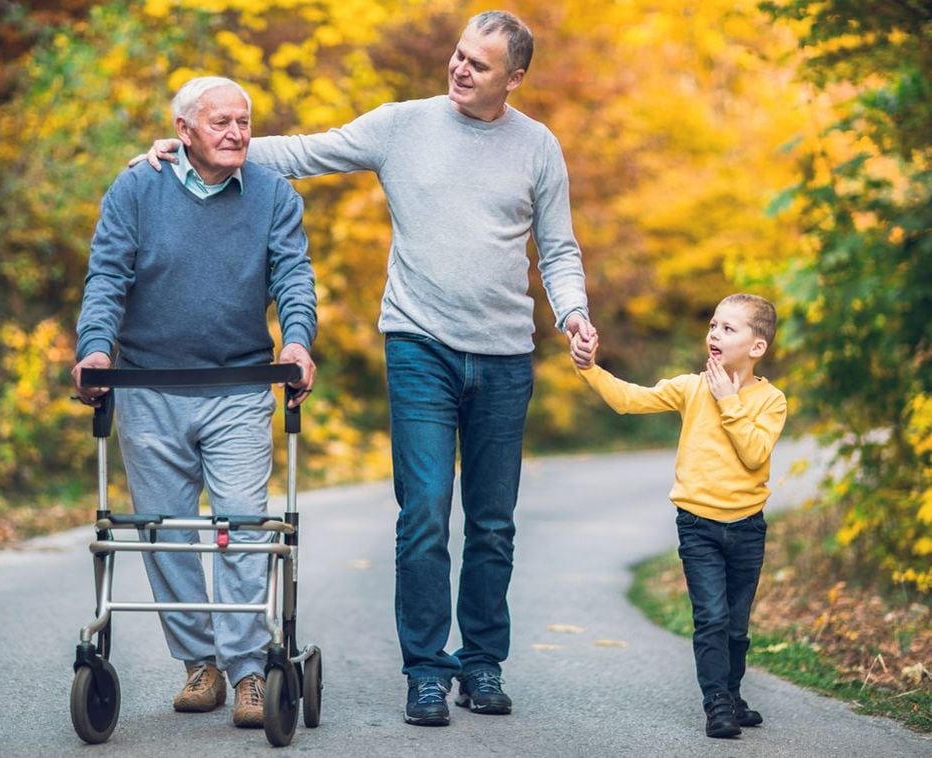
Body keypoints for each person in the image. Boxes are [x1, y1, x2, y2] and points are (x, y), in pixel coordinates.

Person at [135, 10, 595, 726]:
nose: (460, 68)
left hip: (506, 356)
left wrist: (573, 314)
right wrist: (197, 146)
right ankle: (426, 672)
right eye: (458, 54)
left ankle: (481, 664)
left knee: (494, 523)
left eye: (479, 63)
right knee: (421, 517)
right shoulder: (401, 125)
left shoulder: (537, 146)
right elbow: (302, 154)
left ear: (515, 77)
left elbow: (558, 248)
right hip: (418, 345)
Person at [73, 76, 317, 730]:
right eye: (221, 122)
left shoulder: (272, 195)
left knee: (240, 524)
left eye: (244, 120)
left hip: (238, 385)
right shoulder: (136, 188)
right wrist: (96, 349)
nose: (238, 132)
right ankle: (199, 665)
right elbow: (107, 276)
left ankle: (245, 673)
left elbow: (293, 275)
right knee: (165, 530)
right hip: (148, 385)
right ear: (184, 131)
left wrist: (296, 342)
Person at [569, 293, 787, 739]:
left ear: (757, 346)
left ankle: (732, 692)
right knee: (711, 617)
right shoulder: (691, 387)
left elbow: (754, 454)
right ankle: (717, 705)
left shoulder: (771, 401)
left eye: (728, 329)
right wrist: (589, 368)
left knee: (737, 623)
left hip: (747, 526)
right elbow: (630, 399)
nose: (715, 334)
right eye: (712, 325)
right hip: (697, 525)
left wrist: (730, 402)